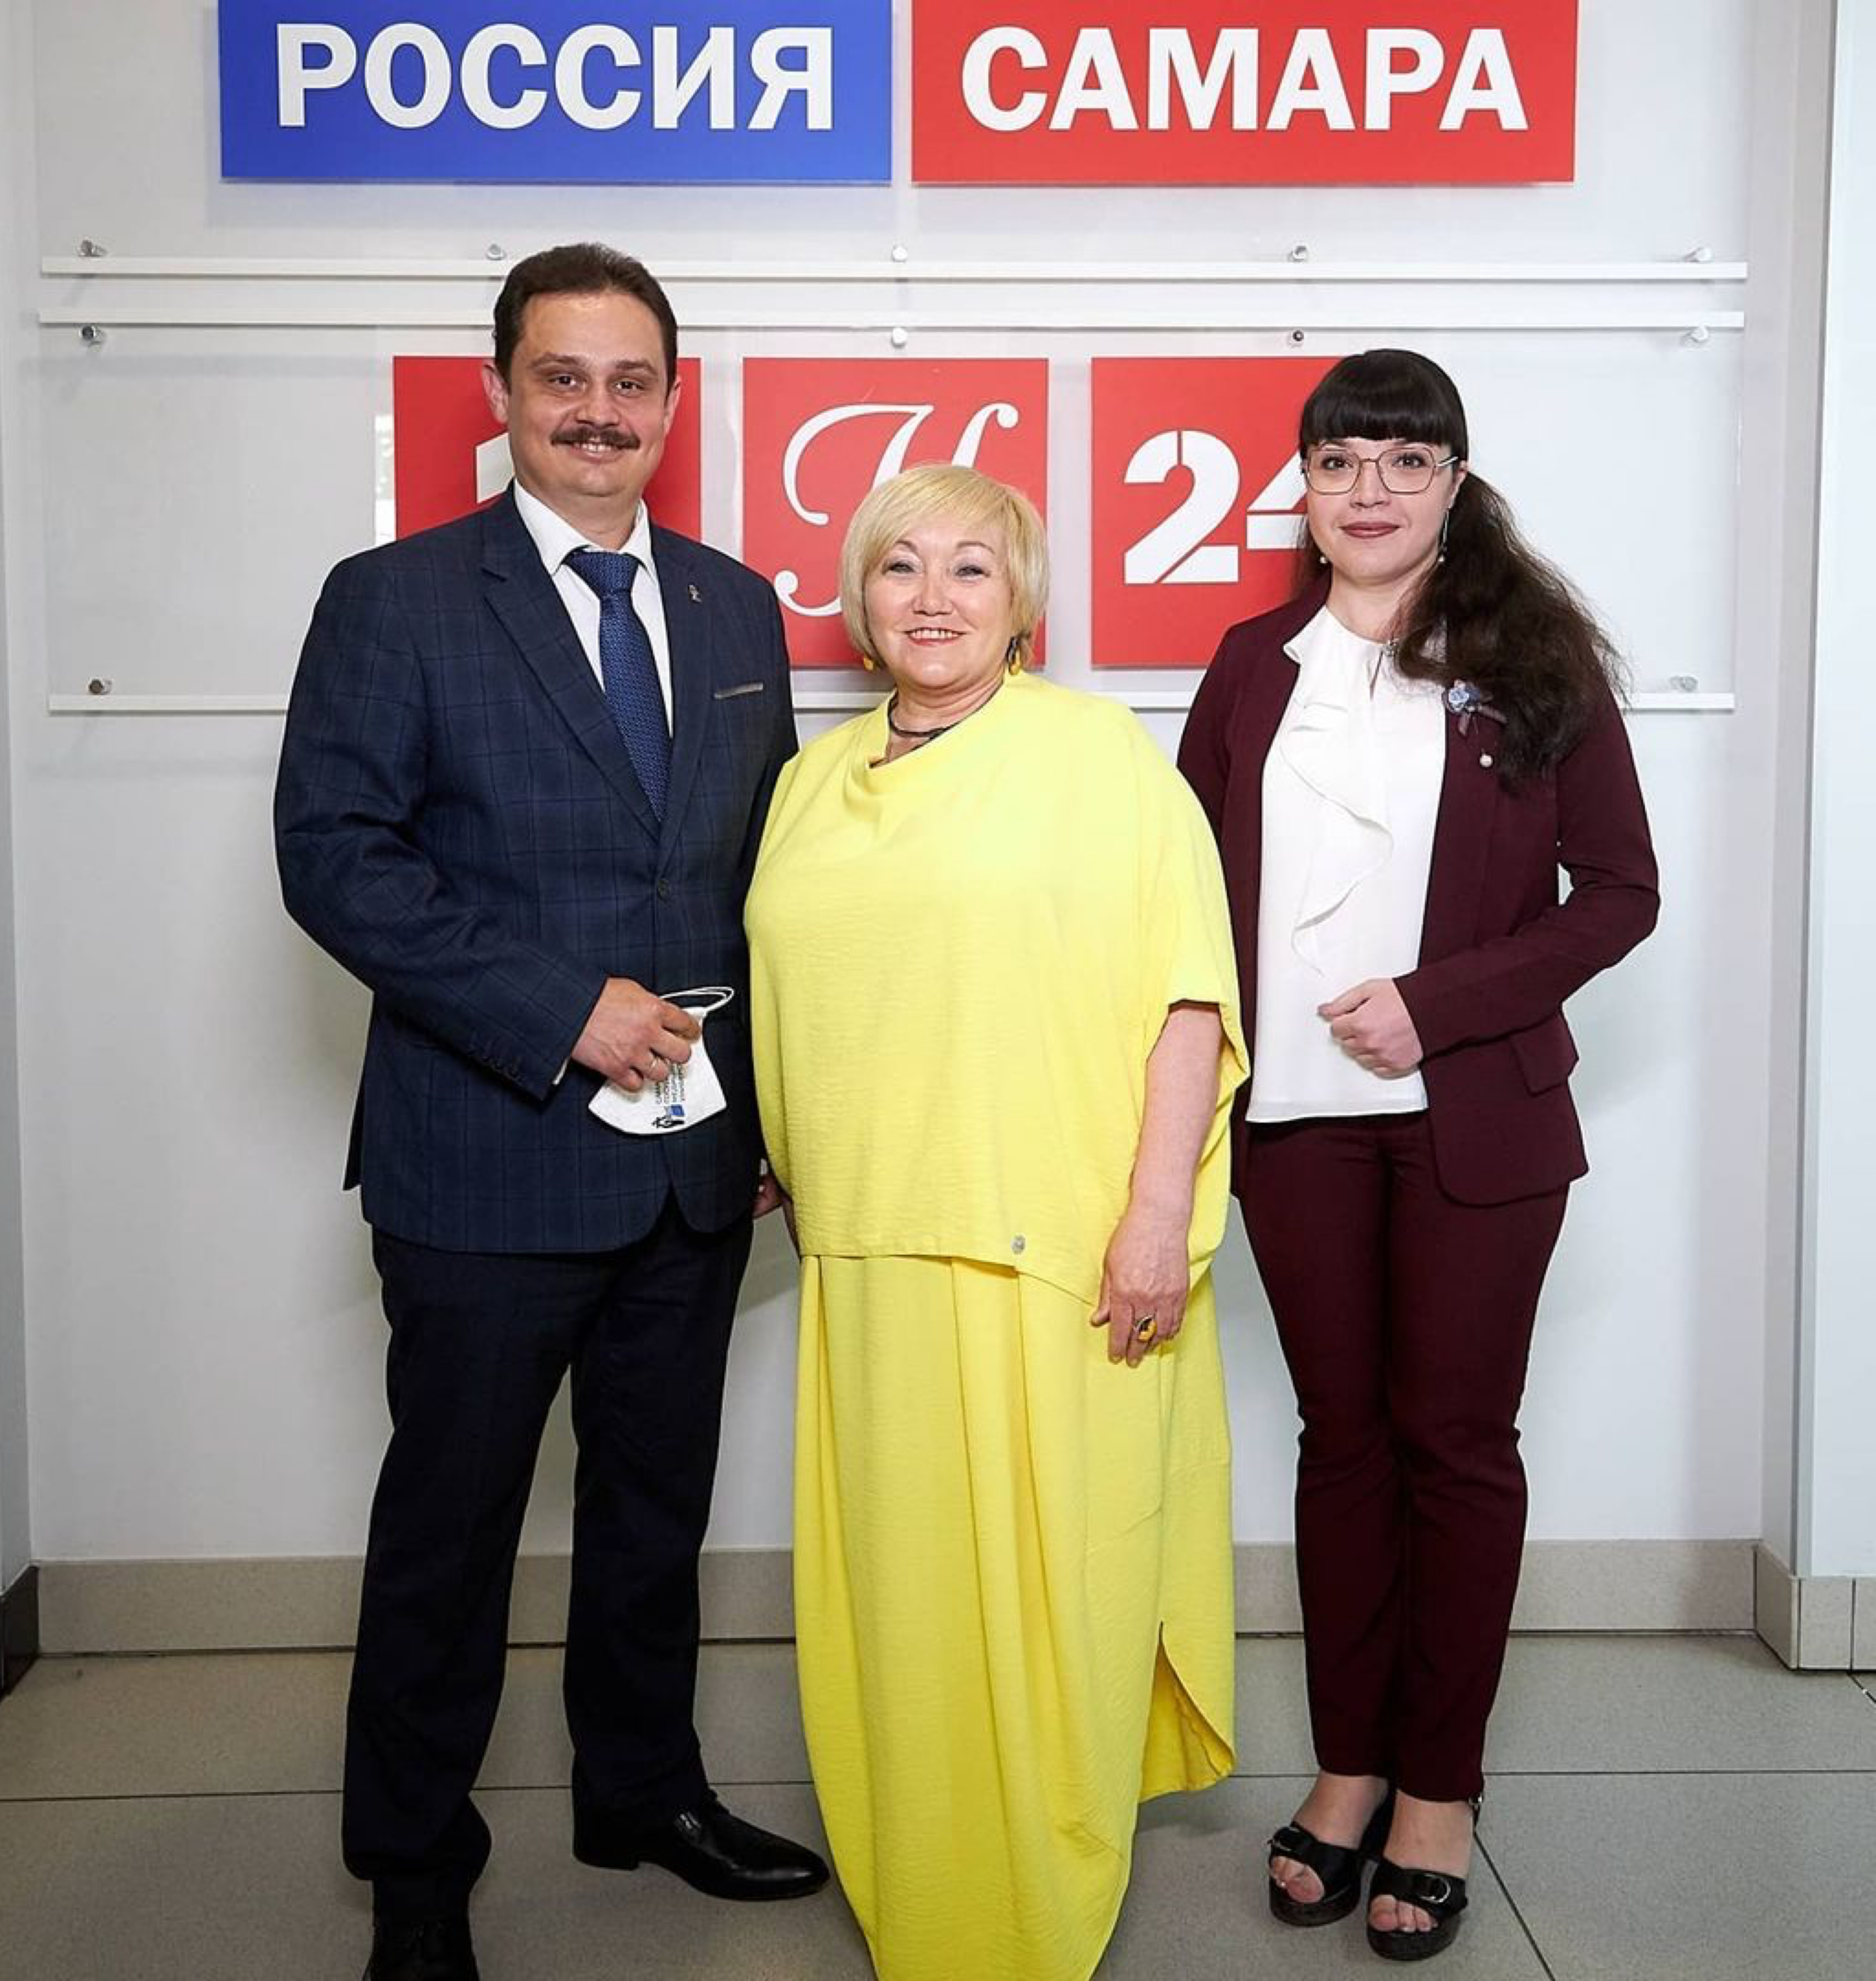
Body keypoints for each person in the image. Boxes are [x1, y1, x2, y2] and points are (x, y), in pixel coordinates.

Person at [274, 242, 826, 1981]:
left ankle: (640, 1793)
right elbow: (336, 860)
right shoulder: (395, 598)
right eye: (562, 378)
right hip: (484, 1159)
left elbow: (765, 886)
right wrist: (558, 1012)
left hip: (692, 1176)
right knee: (449, 1537)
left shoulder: (734, 607)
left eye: (630, 381)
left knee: (655, 1515)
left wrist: (773, 1119)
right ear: (502, 392)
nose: (599, 412)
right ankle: (414, 1868)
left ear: (673, 401)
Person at [1177, 349, 1659, 1963]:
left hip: (1476, 1124)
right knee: (1343, 1446)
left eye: (1405, 459)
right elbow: (1189, 892)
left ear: (1455, 482)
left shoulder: (1533, 661)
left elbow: (1622, 892)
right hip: (1295, 1126)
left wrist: (1433, 1006)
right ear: (1304, 489)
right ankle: (1349, 1767)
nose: (1369, 489)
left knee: (1454, 1447)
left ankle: (1437, 1792)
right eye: (1339, 460)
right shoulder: (1253, 666)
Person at [745, 463, 1248, 1981]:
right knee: (901, 1615)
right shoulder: (809, 781)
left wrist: (1156, 1215)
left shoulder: (1098, 756)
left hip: (1055, 1250)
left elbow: (1187, 994)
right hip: (869, 1254)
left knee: (1050, 1608)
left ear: (1022, 600)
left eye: (972, 567)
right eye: (901, 565)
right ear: (859, 596)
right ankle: (925, 1893)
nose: (934, 597)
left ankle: (1033, 1920)